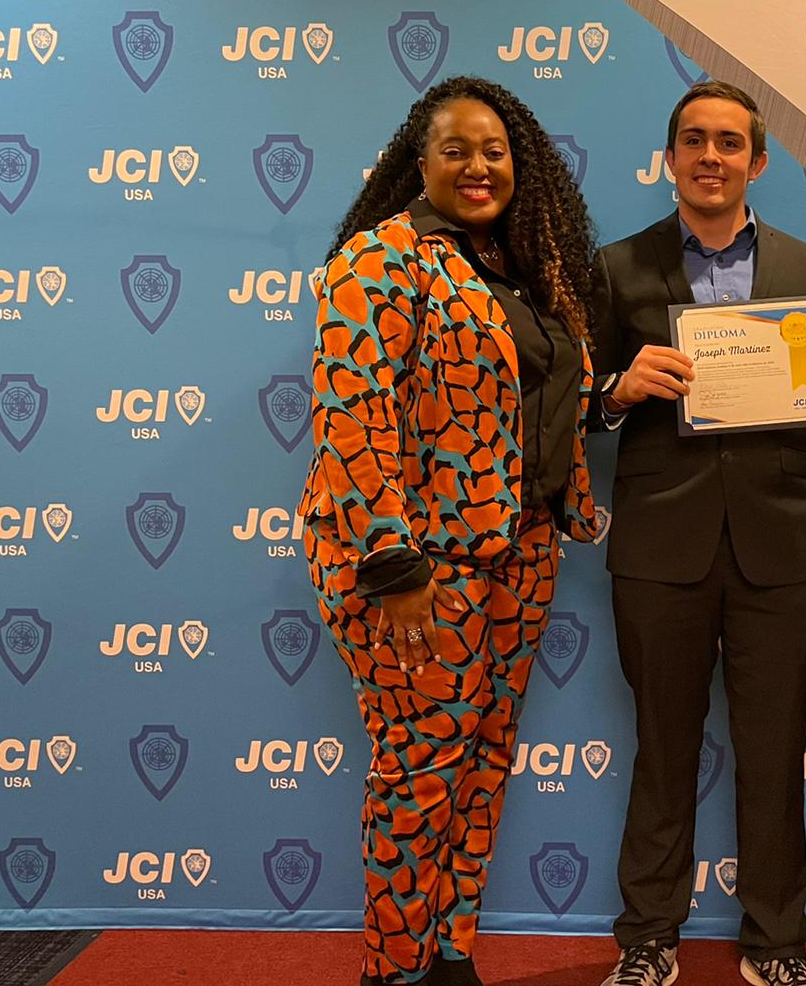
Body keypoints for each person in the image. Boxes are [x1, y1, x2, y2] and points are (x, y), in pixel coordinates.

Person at [297, 76, 602, 986]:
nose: (478, 165)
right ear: (416, 163)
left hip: (521, 553)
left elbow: (541, 403)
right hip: (416, 563)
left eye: (495, 150)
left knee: (483, 759)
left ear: (523, 165)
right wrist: (392, 558)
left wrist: (611, 398)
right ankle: (390, 969)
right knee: (419, 764)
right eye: (456, 149)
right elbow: (353, 414)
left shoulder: (520, 269)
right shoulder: (378, 260)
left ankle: (451, 951)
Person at [590, 81, 806, 986]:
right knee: (663, 750)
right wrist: (617, 393)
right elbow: (571, 406)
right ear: (668, 157)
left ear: (758, 160)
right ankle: (646, 942)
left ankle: (778, 947)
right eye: (693, 140)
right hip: (659, 553)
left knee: (775, 753)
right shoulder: (616, 268)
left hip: (784, 553)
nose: (711, 156)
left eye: (730, 142)